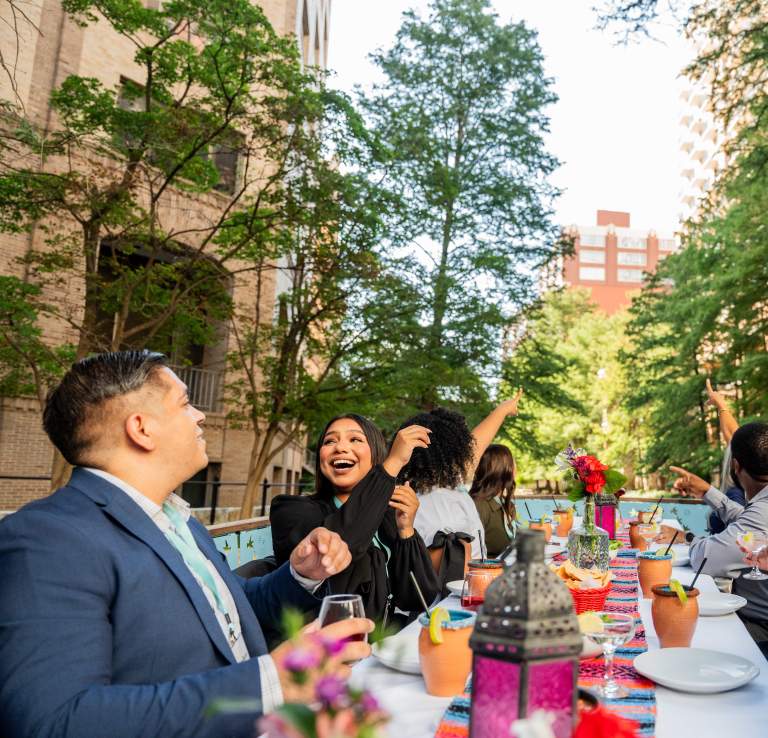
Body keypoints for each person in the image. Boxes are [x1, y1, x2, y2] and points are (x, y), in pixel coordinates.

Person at [0, 351, 372, 738]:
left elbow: (236, 609)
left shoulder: (181, 521)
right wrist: (269, 685)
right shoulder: (47, 539)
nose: (200, 415)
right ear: (141, 429)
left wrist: (301, 575)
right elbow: (55, 722)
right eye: (184, 404)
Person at [270, 414, 439, 626]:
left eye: (355, 439)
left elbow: (416, 598)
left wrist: (406, 531)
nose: (340, 447)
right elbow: (337, 551)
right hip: (323, 650)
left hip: (379, 645)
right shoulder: (291, 510)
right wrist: (393, 463)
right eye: (330, 441)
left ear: (375, 454)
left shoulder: (386, 517)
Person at [658, 422, 768, 652]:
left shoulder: (762, 512)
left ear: (736, 466)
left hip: (760, 630)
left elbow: (706, 559)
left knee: (679, 631)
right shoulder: (761, 509)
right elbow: (747, 521)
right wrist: (707, 492)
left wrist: (688, 538)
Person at [399, 390, 523, 563]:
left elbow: (477, 445)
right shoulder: (439, 505)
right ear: (454, 452)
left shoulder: (444, 486)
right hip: (466, 586)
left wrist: (502, 410)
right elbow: (454, 577)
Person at [705, 378, 745, 533]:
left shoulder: (737, 495)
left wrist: (688, 538)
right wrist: (721, 406)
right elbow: (737, 438)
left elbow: (732, 544)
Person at [469, 444, 517, 557]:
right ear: (503, 468)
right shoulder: (478, 505)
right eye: (513, 462)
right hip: (490, 571)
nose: (515, 467)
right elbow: (473, 556)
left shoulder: (505, 504)